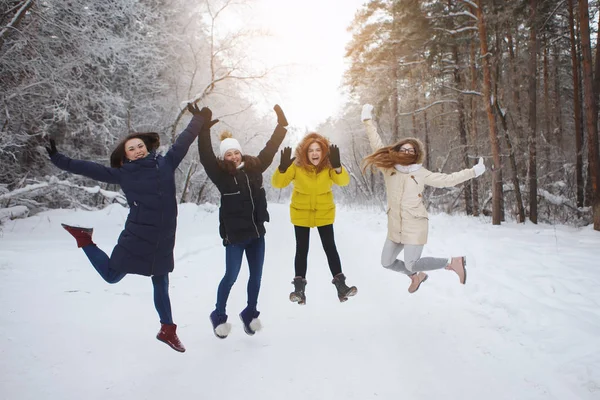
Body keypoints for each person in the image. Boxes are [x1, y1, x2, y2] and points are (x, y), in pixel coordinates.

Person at [46, 103, 214, 352]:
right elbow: (88, 168)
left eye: (140, 147)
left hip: (164, 237)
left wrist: (199, 119)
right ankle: (84, 239)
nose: (137, 150)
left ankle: (167, 329)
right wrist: (58, 159)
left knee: (161, 281)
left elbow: (184, 140)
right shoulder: (123, 174)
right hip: (137, 235)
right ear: (125, 155)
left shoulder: (165, 164)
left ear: (148, 148)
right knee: (112, 276)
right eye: (131, 148)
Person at [360, 104, 486, 293]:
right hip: (395, 226)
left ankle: (453, 263)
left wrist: (473, 172)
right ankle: (416, 276)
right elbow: (376, 145)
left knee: (412, 263)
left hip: (414, 225)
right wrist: (367, 120)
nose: (407, 152)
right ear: (397, 151)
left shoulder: (421, 173)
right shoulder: (389, 169)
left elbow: (447, 180)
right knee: (386, 262)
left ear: (416, 155)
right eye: (404, 149)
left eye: (411, 151)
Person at [197, 104, 288, 339]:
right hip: (235, 237)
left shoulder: (254, 168)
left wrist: (281, 126)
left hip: (257, 235)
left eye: (236, 152)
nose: (234, 156)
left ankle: (250, 313)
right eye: (229, 154)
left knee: (256, 277)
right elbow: (205, 155)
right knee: (231, 276)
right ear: (224, 157)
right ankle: (218, 315)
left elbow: (270, 149)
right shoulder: (220, 175)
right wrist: (202, 128)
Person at [271, 132, 357, 305]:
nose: (315, 153)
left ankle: (341, 287)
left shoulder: (329, 165)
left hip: (324, 212)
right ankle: (299, 290)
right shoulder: (296, 166)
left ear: (324, 151)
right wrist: (281, 169)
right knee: (302, 250)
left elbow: (344, 182)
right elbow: (278, 184)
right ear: (305, 152)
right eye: (311, 150)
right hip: (301, 212)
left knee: (330, 248)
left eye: (318, 149)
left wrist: (338, 167)